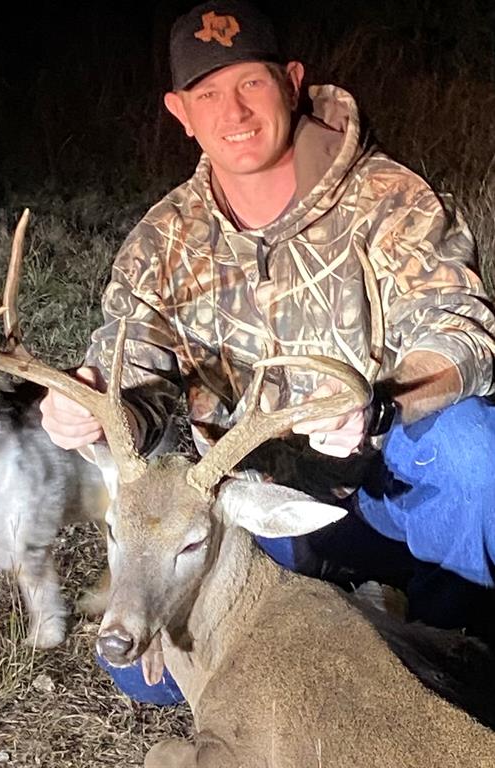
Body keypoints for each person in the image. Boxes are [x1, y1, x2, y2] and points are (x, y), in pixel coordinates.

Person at [41, 0, 495, 703]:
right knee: (139, 672)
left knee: (471, 451)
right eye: (208, 94)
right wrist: (92, 405)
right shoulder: (164, 240)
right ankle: (371, 625)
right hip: (259, 509)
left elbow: (460, 330)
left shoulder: (387, 198)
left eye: (250, 84)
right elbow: (134, 374)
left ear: (289, 81)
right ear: (179, 111)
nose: (235, 112)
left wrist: (381, 405)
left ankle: (454, 635)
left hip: (394, 486)